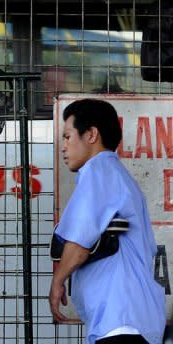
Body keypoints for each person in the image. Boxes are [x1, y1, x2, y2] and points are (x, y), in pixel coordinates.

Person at [49, 98, 166, 344]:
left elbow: (80, 244)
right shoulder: (116, 175)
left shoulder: (98, 172)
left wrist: (57, 282)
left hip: (119, 321)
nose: (63, 147)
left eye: (68, 137)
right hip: (131, 320)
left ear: (91, 135)